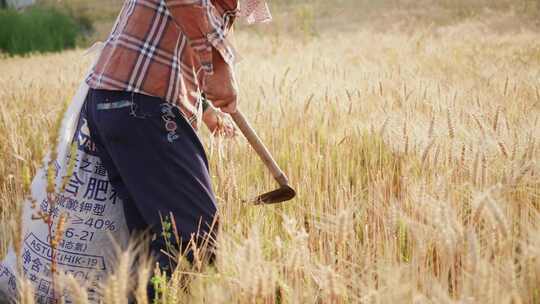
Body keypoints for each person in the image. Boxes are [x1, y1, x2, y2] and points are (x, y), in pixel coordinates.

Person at [83, 0, 271, 276]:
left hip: (120, 102)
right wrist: (218, 65)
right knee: (194, 237)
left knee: (153, 249)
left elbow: (176, 32)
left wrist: (204, 108)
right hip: (141, 105)